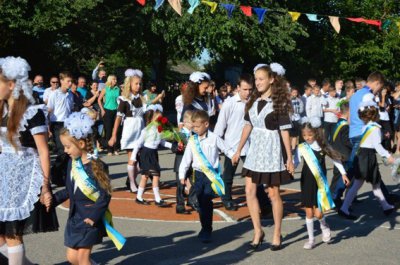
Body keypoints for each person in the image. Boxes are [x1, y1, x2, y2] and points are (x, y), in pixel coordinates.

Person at [0, 56, 58, 265]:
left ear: (11, 85)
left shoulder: (32, 112)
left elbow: (43, 151)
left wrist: (45, 187)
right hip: (4, 174)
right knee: (1, 235)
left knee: (13, 232)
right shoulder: (1, 110)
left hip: (23, 176)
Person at [232, 63, 294, 251]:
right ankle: (258, 231)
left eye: (260, 79)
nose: (257, 82)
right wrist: (238, 150)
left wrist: (289, 158)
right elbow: (247, 126)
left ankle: (277, 233)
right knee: (249, 191)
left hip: (272, 151)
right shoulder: (252, 101)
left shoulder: (279, 103)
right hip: (254, 152)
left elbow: (285, 132)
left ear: (271, 79)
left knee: (273, 193)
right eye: (256, 79)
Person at [52, 111, 125, 265]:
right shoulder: (72, 163)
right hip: (74, 219)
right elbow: (69, 190)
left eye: (67, 146)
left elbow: (105, 195)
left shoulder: (96, 166)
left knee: (82, 258)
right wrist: (53, 200)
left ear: (82, 144)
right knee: (72, 257)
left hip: (89, 219)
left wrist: (93, 217)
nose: (65, 150)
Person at [179, 110, 233, 243]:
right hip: (197, 176)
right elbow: (186, 160)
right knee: (200, 202)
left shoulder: (214, 138)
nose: (194, 129)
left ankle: (206, 229)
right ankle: (205, 226)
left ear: (206, 124)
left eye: (197, 126)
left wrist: (234, 156)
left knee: (206, 201)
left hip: (211, 176)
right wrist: (182, 176)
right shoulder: (192, 140)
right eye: (193, 126)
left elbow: (226, 149)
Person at [294, 118, 349, 249]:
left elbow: (336, 159)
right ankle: (311, 239)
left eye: (310, 135)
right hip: (306, 181)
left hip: (319, 184)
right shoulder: (302, 147)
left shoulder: (322, 146)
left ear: (316, 133)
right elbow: (296, 162)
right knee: (308, 212)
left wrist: (343, 173)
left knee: (318, 213)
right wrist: (290, 167)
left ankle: (324, 226)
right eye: (304, 135)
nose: (307, 138)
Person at [339, 101, 396, 219]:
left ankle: (386, 207)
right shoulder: (375, 128)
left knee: (370, 184)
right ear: (375, 115)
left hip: (363, 156)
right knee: (368, 184)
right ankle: (344, 208)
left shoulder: (366, 126)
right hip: (367, 157)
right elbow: (377, 146)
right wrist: (388, 155)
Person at [214, 74, 254, 211]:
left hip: (250, 146)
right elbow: (220, 126)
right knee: (228, 175)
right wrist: (216, 147)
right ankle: (227, 199)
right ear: (238, 88)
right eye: (245, 89)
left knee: (255, 176)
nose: (247, 92)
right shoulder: (229, 103)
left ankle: (263, 203)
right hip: (231, 147)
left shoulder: (253, 102)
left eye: (250, 89)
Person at [131, 105, 177, 207]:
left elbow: (162, 142)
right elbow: (138, 144)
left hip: (154, 154)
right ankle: (155, 199)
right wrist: (133, 156)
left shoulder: (160, 130)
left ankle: (144, 197)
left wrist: (173, 147)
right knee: (150, 176)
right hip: (146, 154)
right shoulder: (146, 130)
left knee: (150, 176)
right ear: (153, 119)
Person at [108, 69, 145, 193]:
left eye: (140, 84)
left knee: (140, 163)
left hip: (141, 129)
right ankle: (132, 183)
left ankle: (130, 180)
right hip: (130, 130)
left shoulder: (142, 98)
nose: (138, 86)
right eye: (136, 84)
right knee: (132, 159)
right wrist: (113, 136)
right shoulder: (124, 100)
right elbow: (118, 118)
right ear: (129, 84)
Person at [330, 101, 352, 208]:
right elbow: (346, 141)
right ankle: (335, 199)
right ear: (348, 112)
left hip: (336, 153)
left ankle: (334, 198)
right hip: (343, 155)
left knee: (337, 177)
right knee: (341, 180)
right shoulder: (345, 126)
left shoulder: (338, 123)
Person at [174, 110, 196, 214]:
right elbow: (173, 147)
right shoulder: (180, 134)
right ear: (185, 122)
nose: (194, 124)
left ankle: (192, 201)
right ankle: (180, 205)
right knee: (181, 185)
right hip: (181, 162)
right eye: (192, 122)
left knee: (193, 182)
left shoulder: (194, 134)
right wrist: (179, 147)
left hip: (192, 163)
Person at [48, 71, 74, 156]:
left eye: (71, 81)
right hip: (57, 124)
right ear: (61, 81)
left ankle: (65, 169)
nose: (70, 84)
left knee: (68, 150)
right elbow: (49, 110)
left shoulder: (70, 94)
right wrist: (48, 128)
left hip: (67, 124)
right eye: (68, 81)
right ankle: (55, 169)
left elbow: (70, 110)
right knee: (61, 150)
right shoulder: (54, 94)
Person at [98, 75, 121, 156]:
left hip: (116, 110)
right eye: (114, 79)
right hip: (107, 110)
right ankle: (109, 149)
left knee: (116, 130)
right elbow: (99, 100)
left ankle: (115, 148)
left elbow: (120, 100)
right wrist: (102, 109)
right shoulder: (105, 89)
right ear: (110, 80)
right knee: (108, 130)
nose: (115, 80)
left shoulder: (118, 89)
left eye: (116, 79)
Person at [376, 85, 392, 152]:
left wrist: (388, 108)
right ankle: (380, 149)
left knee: (388, 134)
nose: (385, 93)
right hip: (380, 118)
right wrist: (382, 96)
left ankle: (387, 149)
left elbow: (389, 108)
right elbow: (382, 106)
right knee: (380, 134)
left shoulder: (388, 98)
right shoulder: (377, 97)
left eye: (385, 92)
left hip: (386, 118)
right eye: (383, 91)